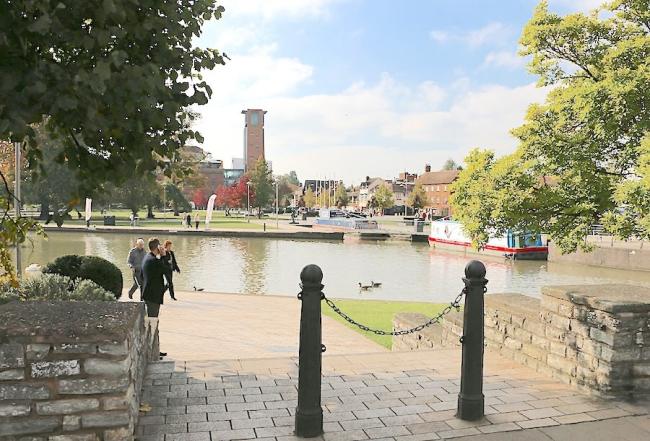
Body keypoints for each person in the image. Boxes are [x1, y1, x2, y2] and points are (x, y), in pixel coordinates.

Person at [141, 237, 169, 357]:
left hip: (149, 296)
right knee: (153, 324)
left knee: (153, 324)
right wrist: (163, 256)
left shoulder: (147, 258)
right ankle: (152, 353)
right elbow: (167, 269)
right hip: (153, 298)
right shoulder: (153, 261)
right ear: (157, 247)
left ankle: (155, 351)